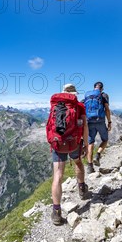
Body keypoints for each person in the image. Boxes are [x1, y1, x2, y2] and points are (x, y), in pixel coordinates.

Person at [47, 83, 89, 226]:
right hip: (74, 143)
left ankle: (57, 212)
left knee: (58, 175)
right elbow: (85, 126)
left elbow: (50, 125)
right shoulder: (79, 106)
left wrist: (51, 142)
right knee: (77, 162)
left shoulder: (55, 105)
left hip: (58, 144)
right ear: (75, 94)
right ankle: (82, 189)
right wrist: (85, 144)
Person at [83, 81, 111, 174]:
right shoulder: (103, 95)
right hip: (100, 121)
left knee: (90, 143)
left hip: (89, 121)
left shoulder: (87, 96)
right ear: (102, 88)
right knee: (105, 140)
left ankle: (90, 167)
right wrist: (109, 122)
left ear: (94, 87)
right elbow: (106, 109)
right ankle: (98, 155)